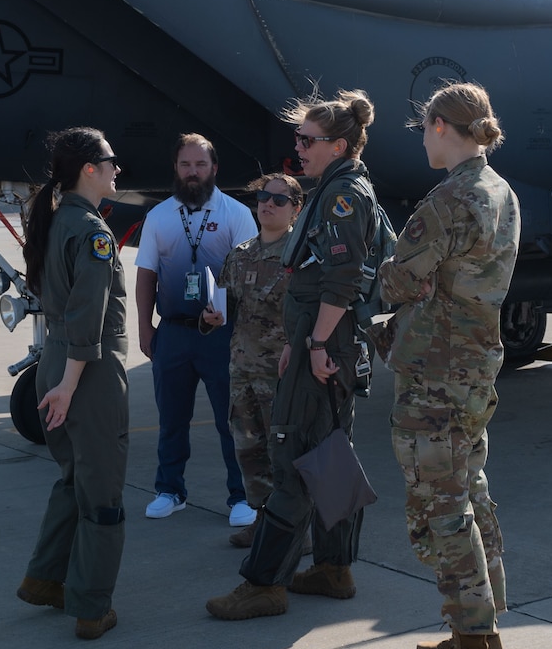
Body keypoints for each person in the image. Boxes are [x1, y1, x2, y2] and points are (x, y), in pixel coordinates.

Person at [206, 91, 381, 620]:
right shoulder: (337, 187)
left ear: (339, 145)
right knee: (330, 454)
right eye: (298, 138)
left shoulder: (343, 195)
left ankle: (264, 584)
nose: (298, 147)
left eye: (308, 140)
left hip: (325, 343)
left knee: (292, 459)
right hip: (319, 341)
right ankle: (334, 568)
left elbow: (344, 278)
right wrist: (304, 341)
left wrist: (318, 344)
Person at [379, 83, 521, 649]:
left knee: (441, 508)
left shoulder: (449, 198)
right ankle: (484, 637)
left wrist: (387, 275)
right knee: (471, 494)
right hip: (473, 368)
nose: (424, 141)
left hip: (435, 373)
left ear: (441, 126)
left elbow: (397, 279)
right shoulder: (501, 192)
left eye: (425, 129)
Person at [16, 128, 130, 640]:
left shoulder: (58, 221)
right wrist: (69, 386)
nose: (116, 170)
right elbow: (89, 316)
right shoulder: (92, 232)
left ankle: (45, 578)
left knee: (72, 479)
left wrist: (58, 381)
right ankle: (90, 607)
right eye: (110, 162)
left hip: (55, 362)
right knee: (101, 490)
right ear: (89, 169)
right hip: (87, 373)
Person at [133, 134, 258, 525]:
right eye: (185, 165)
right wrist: (144, 329)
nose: (193, 172)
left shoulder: (237, 214)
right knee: (171, 419)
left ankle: (241, 497)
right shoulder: (159, 217)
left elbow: (250, 277)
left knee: (230, 420)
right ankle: (170, 490)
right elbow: (146, 277)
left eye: (200, 165)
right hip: (172, 332)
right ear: (176, 169)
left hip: (222, 335)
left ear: (214, 169)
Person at [202, 173, 303, 548]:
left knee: (285, 455)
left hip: (282, 374)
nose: (267, 204)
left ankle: (294, 529)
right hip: (243, 371)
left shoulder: (301, 256)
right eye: (263, 196)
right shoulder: (241, 254)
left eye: (279, 200)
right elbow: (224, 305)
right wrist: (209, 318)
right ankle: (263, 520)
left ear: (296, 208)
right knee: (249, 452)